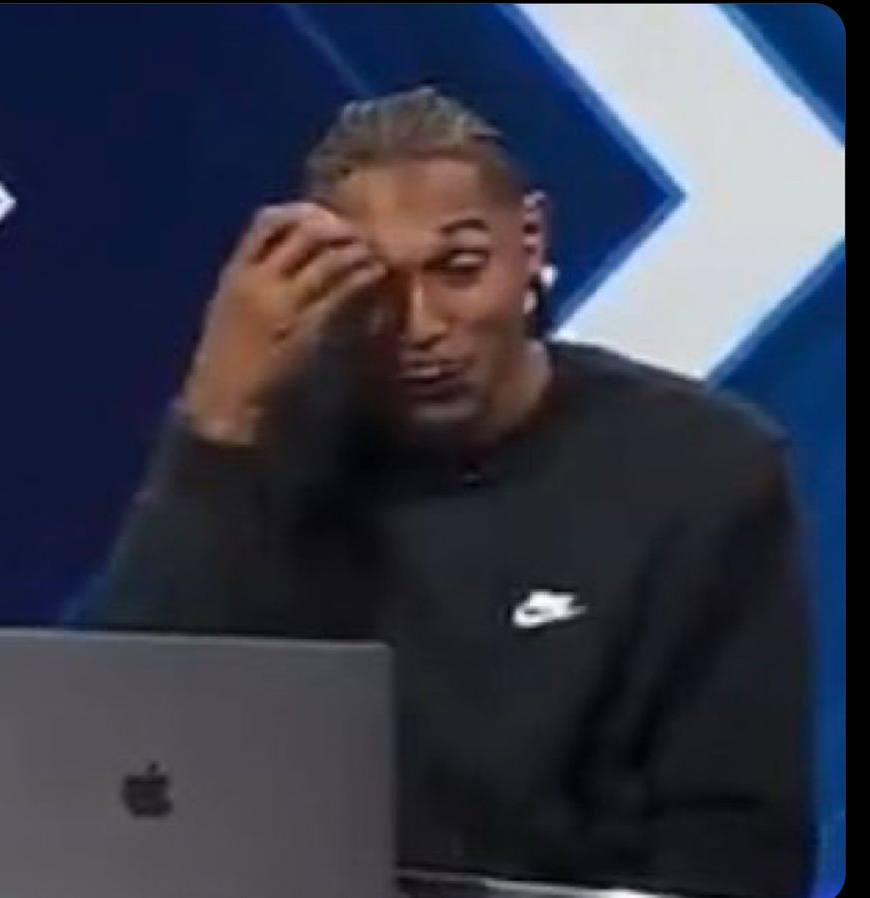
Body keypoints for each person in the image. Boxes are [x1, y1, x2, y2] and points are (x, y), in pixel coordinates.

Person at [84, 87, 813, 897]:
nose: (420, 325)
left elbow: (738, 843)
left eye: (459, 269)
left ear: (530, 239)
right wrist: (217, 412)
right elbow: (121, 758)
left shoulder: (702, 469)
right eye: (372, 288)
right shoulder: (268, 460)